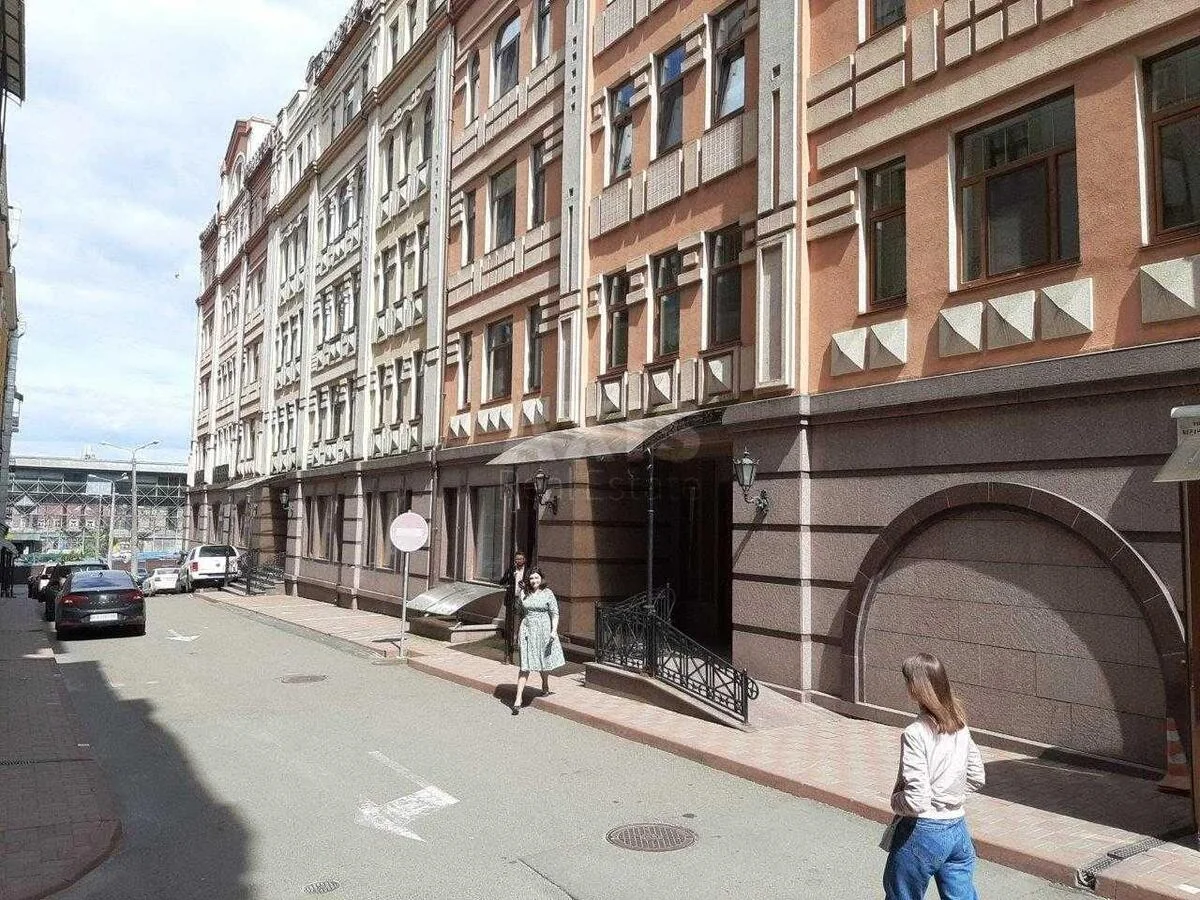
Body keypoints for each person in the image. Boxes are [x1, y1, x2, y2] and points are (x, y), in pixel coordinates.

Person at [883, 652, 986, 900]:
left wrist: (896, 800)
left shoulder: (915, 733)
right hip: (957, 827)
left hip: (923, 830)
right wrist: (949, 794)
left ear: (915, 688)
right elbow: (976, 776)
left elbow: (917, 800)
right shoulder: (960, 725)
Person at [511, 567, 564, 715]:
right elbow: (519, 613)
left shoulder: (548, 593)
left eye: (536, 577)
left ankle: (545, 684)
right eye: (531, 578)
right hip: (527, 630)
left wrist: (554, 630)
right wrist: (517, 632)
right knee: (525, 665)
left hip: (544, 630)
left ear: (541, 578)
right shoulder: (524, 593)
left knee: (543, 661)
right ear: (528, 580)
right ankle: (518, 699)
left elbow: (555, 613)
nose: (534, 580)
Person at [499, 551, 528, 665]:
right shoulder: (511, 570)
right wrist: (510, 576)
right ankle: (509, 653)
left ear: (524, 560)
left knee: (523, 621)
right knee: (511, 623)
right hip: (513, 599)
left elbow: (533, 585)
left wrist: (525, 586)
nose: (518, 561)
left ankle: (519, 640)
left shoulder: (528, 571)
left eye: (520, 559)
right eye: (516, 559)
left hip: (524, 599)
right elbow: (502, 582)